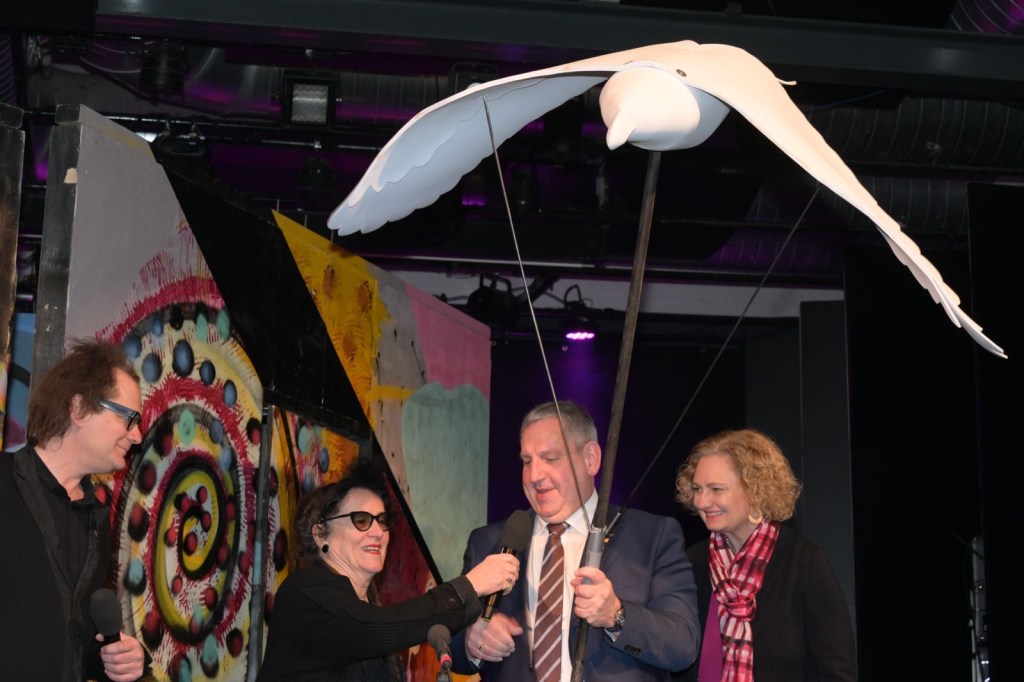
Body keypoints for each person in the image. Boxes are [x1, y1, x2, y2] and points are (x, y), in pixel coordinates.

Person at [451, 400, 700, 681]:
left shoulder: (652, 536)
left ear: (591, 458)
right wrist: (472, 639)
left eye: (550, 458)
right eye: (527, 461)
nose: (534, 475)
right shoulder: (488, 542)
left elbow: (683, 646)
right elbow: (452, 647)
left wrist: (617, 615)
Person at [256, 460, 520, 681]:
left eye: (383, 521)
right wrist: (469, 586)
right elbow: (374, 628)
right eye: (361, 520)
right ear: (320, 534)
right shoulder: (304, 593)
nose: (378, 531)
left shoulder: (370, 608)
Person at [0, 337, 149, 681]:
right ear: (79, 409)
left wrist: (115, 658)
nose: (138, 436)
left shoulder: (95, 519)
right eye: (128, 418)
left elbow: (73, 641)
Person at [674, 428, 856, 682]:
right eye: (697, 488)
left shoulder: (803, 562)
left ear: (755, 491)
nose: (701, 502)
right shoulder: (692, 561)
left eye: (716, 489)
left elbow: (836, 672)